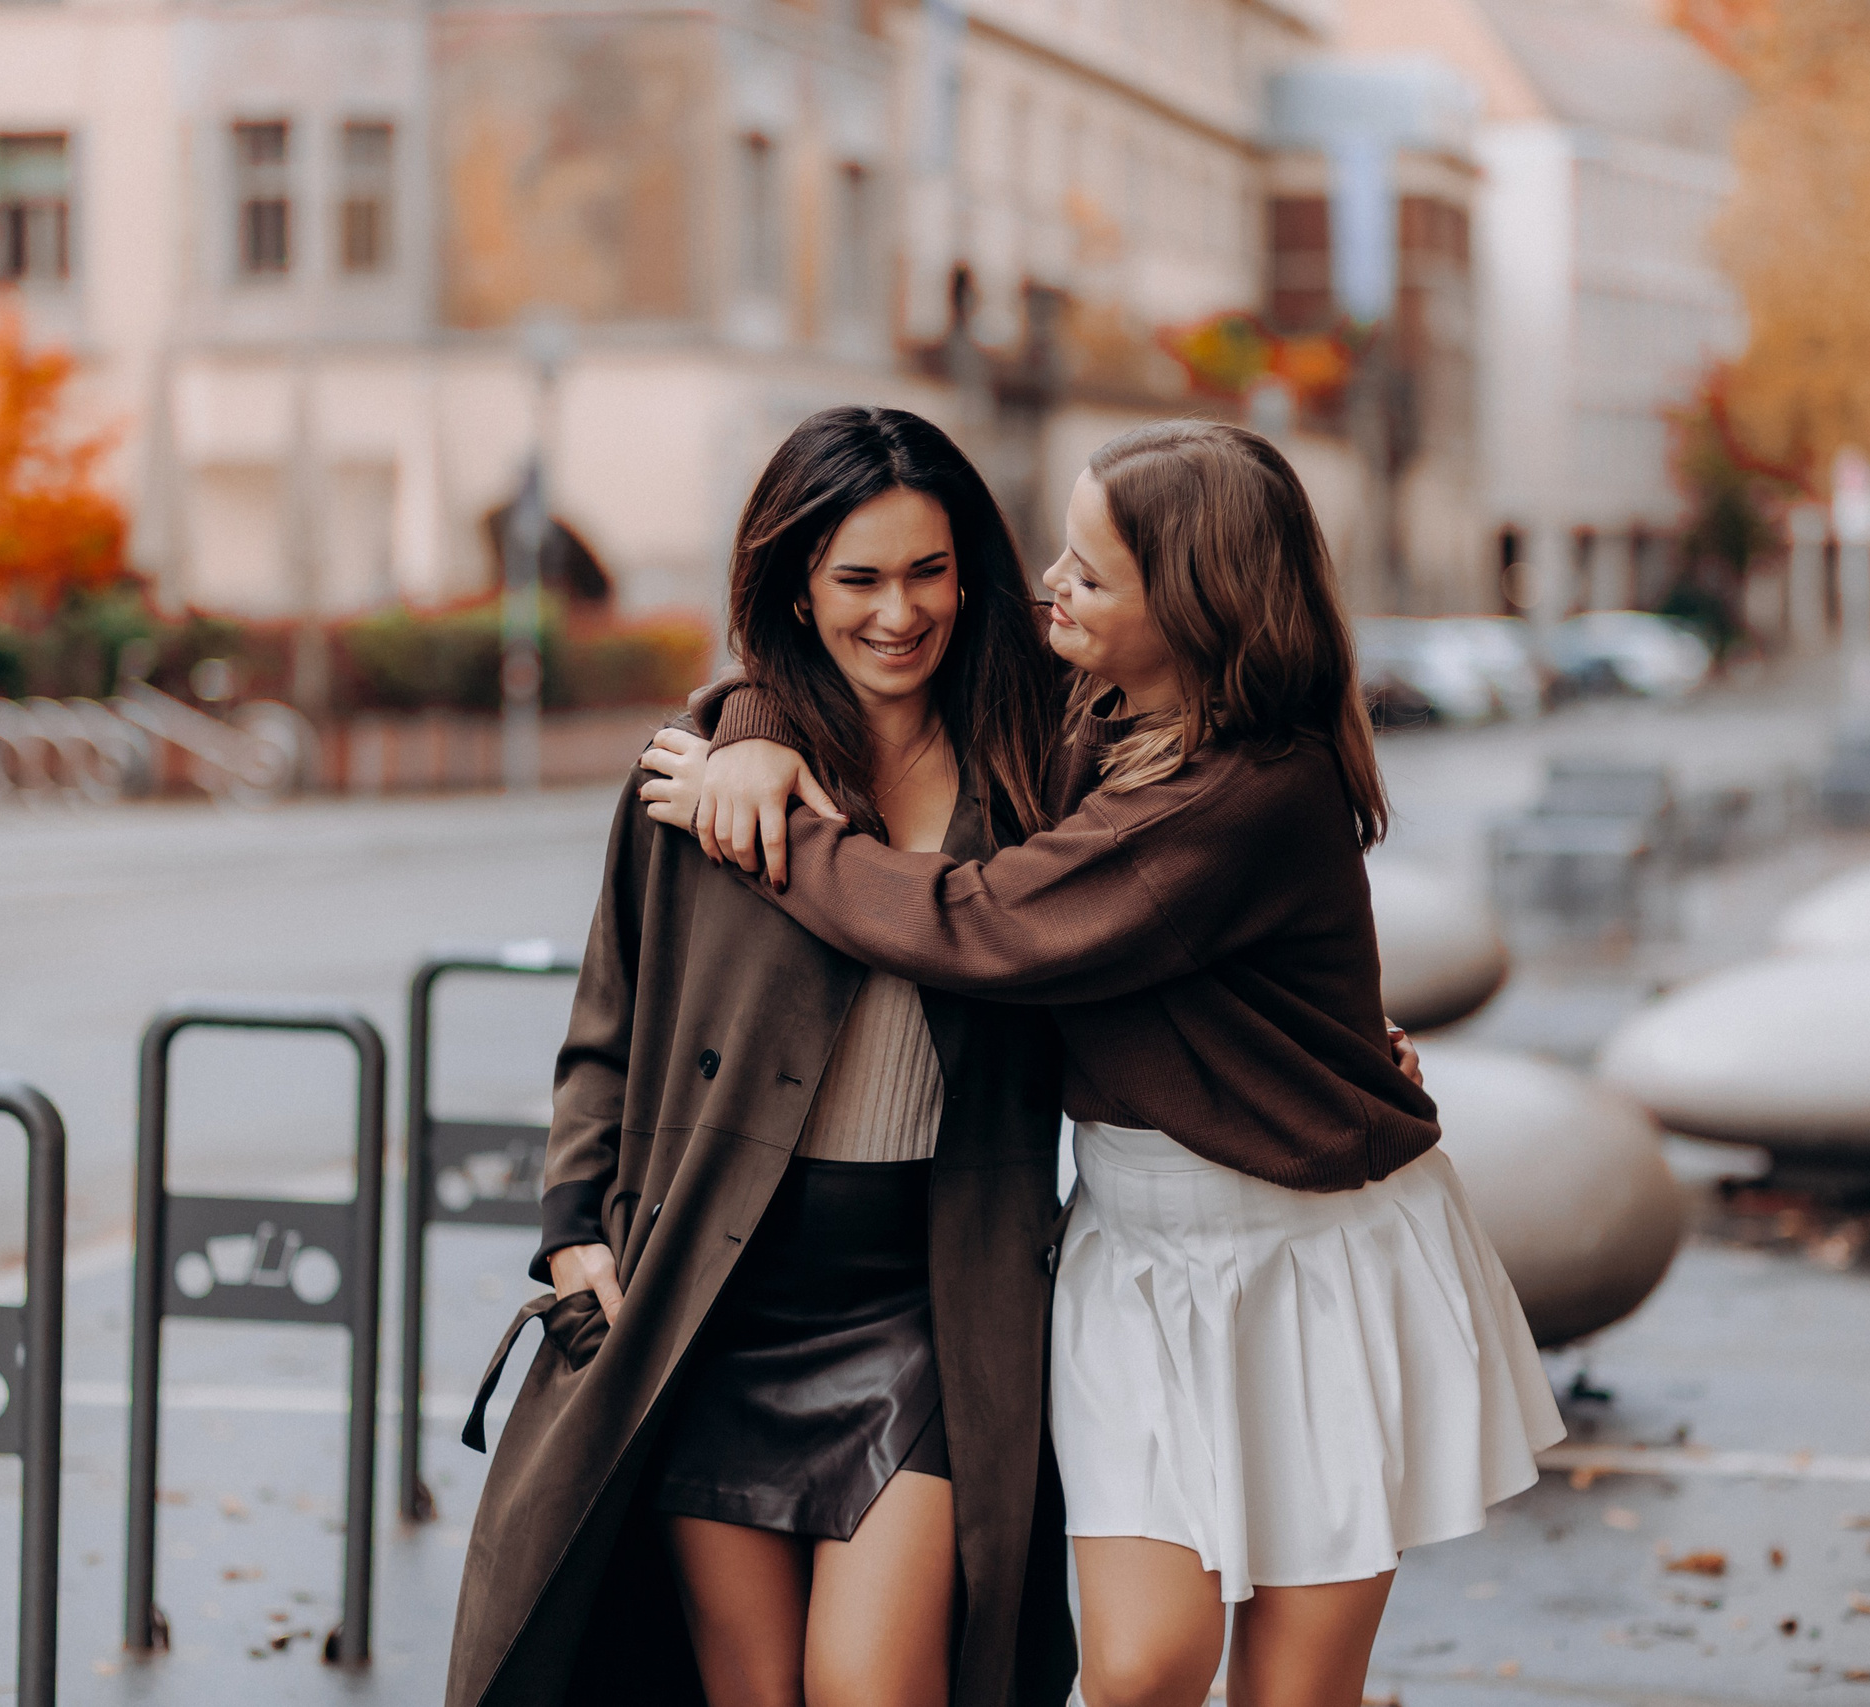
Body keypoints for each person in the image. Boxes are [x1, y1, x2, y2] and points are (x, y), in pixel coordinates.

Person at [640, 419, 1565, 1707]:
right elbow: (864, 644)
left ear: (1189, 607)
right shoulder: (1093, 701)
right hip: (1135, 1251)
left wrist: (783, 837)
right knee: (1135, 1672)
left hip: (1317, 1258)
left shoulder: (1246, 793)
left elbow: (988, 924)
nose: (1047, 591)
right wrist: (748, 727)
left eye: (1087, 573)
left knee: (1292, 1694)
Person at [444, 406, 1075, 1707]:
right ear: (796, 582)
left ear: (971, 573)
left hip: (931, 1299)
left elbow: (1160, 906)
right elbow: (604, 1031)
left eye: (928, 571)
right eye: (859, 578)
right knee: (746, 1693)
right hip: (714, 1293)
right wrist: (575, 1235)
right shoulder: (699, 776)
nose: (899, 613)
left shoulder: (1031, 765)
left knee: (872, 1686)